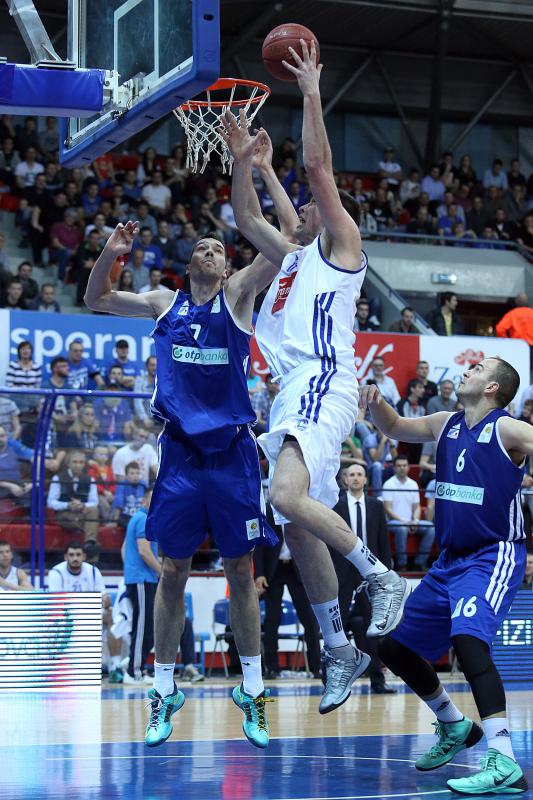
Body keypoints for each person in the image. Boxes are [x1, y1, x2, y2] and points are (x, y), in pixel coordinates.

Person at [221, 39, 409, 717]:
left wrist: (308, 91)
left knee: (284, 494)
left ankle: (381, 577)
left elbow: (318, 165)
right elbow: (245, 216)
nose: (297, 204)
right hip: (296, 389)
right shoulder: (294, 261)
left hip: (324, 381)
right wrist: (245, 164)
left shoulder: (341, 250)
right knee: (297, 523)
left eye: (306, 205)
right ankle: (337, 646)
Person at [84, 174, 285, 747]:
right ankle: (163, 688)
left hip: (234, 455)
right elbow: (96, 298)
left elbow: (280, 247)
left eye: (220, 248)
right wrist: (111, 254)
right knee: (171, 571)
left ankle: (252, 687)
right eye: (203, 245)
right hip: (179, 457)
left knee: (241, 571)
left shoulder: (240, 295)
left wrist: (255, 174)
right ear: (189, 262)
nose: (212, 248)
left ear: (227, 269)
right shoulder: (162, 302)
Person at [359, 356, 529, 794]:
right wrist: (376, 402)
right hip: (450, 560)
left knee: (469, 642)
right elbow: (395, 428)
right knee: (392, 646)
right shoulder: (444, 423)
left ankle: (504, 759)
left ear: (493, 388)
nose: (468, 370)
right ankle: (454, 724)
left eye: (478, 369)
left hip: (492, 556)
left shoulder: (506, 429)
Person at [328, 464, 396, 693]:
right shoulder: (335, 505)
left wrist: (386, 570)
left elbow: (383, 542)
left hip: (371, 572)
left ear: (366, 479)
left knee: (374, 627)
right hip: (342, 571)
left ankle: (378, 680)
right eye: (351, 475)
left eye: (359, 474)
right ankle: (329, 680)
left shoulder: (376, 506)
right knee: (335, 627)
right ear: (344, 480)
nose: (355, 478)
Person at [254, 505, 321, 679]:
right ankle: (272, 667)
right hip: (273, 570)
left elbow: (312, 543)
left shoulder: (299, 506)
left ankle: (317, 667)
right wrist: (259, 573)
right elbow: (259, 544)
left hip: (296, 569)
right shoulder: (268, 510)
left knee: (309, 618)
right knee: (272, 620)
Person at [382, 455, 435, 571]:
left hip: (410, 521)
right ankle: (402, 564)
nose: (402, 468)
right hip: (394, 522)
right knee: (401, 528)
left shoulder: (413, 484)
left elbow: (417, 507)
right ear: (394, 468)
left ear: (408, 467)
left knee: (430, 527)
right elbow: (388, 509)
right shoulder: (388, 484)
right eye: (399, 466)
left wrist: (415, 520)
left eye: (404, 465)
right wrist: (405, 522)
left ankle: (419, 563)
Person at [47, 450, 100, 550]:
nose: (78, 465)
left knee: (93, 510)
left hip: (82, 512)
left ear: (84, 464)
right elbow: (51, 502)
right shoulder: (58, 478)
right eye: (75, 462)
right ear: (68, 463)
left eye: (81, 462)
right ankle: (91, 545)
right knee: (90, 522)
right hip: (64, 514)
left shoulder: (90, 479)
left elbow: (94, 502)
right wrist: (68, 505)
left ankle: (89, 543)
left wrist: (82, 505)